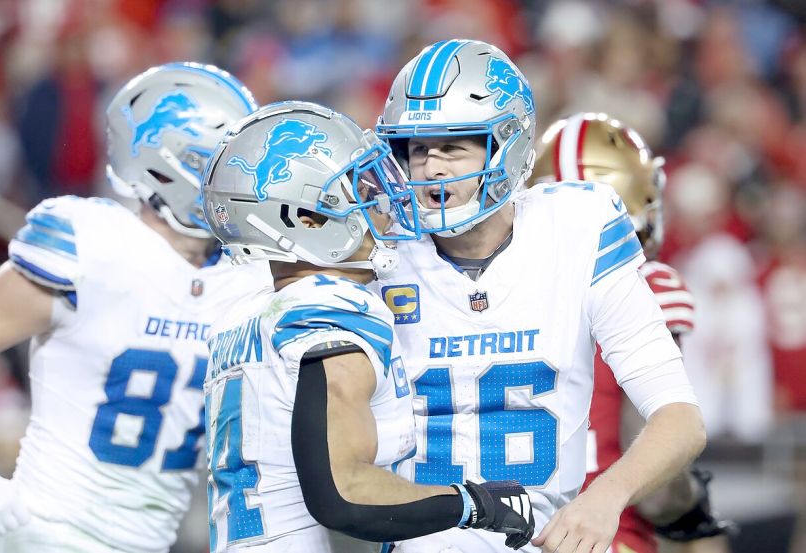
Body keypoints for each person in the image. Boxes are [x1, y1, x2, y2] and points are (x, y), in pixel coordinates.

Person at [0, 62, 267, 553]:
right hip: (41, 534)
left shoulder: (246, 279)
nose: (248, 179)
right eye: (229, 161)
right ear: (173, 160)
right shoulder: (94, 245)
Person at [373, 39, 706, 553]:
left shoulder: (578, 228)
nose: (431, 170)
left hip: (543, 541)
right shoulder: (376, 253)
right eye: (417, 150)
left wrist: (605, 497)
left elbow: (680, 420)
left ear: (507, 147)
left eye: (453, 146)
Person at [201, 101, 535, 553]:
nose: (384, 205)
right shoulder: (331, 309)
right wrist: (474, 504)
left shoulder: (246, 316)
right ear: (307, 219)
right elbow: (344, 493)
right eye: (361, 190)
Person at [532, 112, 735, 553]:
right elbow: (658, 490)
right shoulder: (647, 287)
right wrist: (691, 504)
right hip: (603, 535)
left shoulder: (490, 290)